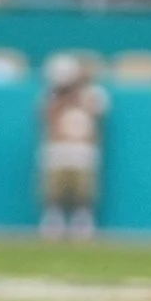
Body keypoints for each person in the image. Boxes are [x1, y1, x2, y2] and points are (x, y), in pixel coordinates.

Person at [38, 54, 105, 238]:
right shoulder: (51, 95)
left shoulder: (92, 93)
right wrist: (62, 96)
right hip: (58, 147)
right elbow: (45, 115)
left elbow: (97, 113)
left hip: (83, 148)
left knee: (83, 190)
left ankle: (82, 222)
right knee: (54, 189)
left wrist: (77, 94)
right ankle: (54, 221)